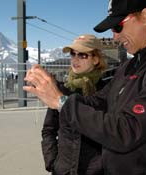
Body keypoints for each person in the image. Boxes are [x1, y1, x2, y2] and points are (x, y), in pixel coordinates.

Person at [23, 0, 146, 174]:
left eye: (118, 27)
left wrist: (61, 101)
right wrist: (53, 90)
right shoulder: (130, 65)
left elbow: (127, 130)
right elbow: (100, 101)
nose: (115, 36)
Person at [41, 34, 107, 175]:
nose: (75, 59)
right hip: (63, 170)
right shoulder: (61, 89)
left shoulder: (107, 90)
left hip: (96, 170)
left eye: (82, 55)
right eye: (73, 54)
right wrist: (52, 162)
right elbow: (49, 130)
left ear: (95, 59)